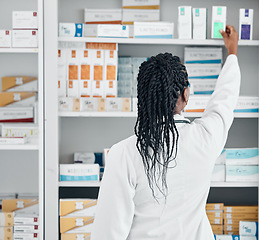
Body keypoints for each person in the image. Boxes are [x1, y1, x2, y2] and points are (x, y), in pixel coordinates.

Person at [92, 25, 241, 240]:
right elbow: (224, 99)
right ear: (186, 94)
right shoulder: (206, 138)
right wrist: (232, 53)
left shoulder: (124, 153)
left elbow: (107, 233)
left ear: (142, 98)